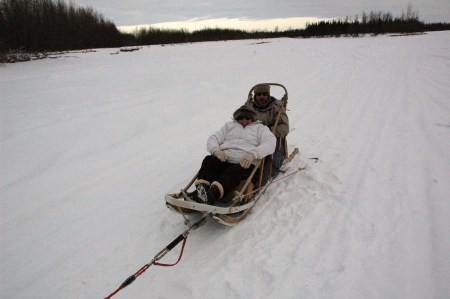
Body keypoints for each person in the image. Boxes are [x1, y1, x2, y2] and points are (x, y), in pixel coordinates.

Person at [192, 105, 276, 205]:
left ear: (253, 118)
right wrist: (215, 150)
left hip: (245, 163)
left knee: (233, 172)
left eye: (247, 118)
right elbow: (213, 138)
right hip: (224, 159)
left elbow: (270, 142)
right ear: (237, 118)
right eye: (241, 118)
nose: (244, 120)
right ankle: (201, 190)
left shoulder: (260, 128)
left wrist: (253, 154)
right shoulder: (229, 126)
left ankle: (214, 194)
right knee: (209, 160)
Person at [245, 84, 289, 178]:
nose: (262, 97)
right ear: (255, 96)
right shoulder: (249, 107)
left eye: (264, 94)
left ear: (268, 95)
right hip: (252, 139)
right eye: (259, 94)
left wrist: (267, 131)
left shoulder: (277, 107)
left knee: (270, 172)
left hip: (272, 140)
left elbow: (284, 127)